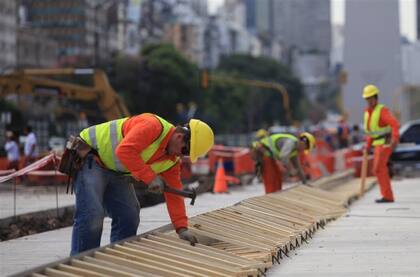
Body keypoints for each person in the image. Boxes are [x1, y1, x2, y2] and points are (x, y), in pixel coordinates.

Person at [70, 113, 214, 255]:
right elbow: (124, 150)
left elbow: (174, 193)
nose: (182, 155)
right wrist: (150, 177)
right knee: (92, 216)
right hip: (91, 156)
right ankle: (81, 264)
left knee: (128, 215)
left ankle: (119, 261)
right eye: (185, 150)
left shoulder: (172, 161)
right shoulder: (152, 126)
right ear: (179, 136)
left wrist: (181, 228)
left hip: (116, 171)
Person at [362, 84, 399, 203]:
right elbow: (370, 133)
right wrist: (367, 146)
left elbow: (394, 124)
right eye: (367, 98)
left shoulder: (382, 110)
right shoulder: (367, 113)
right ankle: (387, 195)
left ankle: (388, 196)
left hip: (385, 143)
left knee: (379, 168)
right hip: (377, 144)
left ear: (375, 98)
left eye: (370, 98)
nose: (368, 101)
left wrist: (395, 138)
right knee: (378, 169)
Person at [251, 132, 315, 194]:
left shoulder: (294, 150)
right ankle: (271, 198)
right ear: (303, 143)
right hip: (262, 151)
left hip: (269, 155)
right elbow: (283, 156)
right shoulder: (291, 142)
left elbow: (298, 167)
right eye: (305, 148)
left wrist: (305, 183)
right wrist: (291, 169)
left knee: (278, 179)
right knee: (271, 179)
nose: (303, 151)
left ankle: (275, 197)